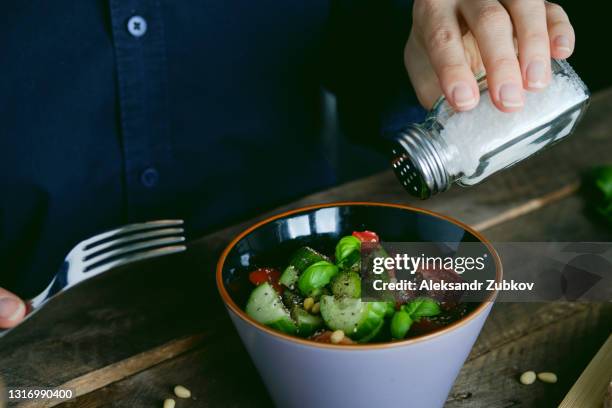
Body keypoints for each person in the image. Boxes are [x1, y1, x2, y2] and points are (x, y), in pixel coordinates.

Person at [0, 0, 575, 329]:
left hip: (303, 246)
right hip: (28, 313)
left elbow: (354, 47)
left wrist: (422, 30)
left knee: (577, 272)